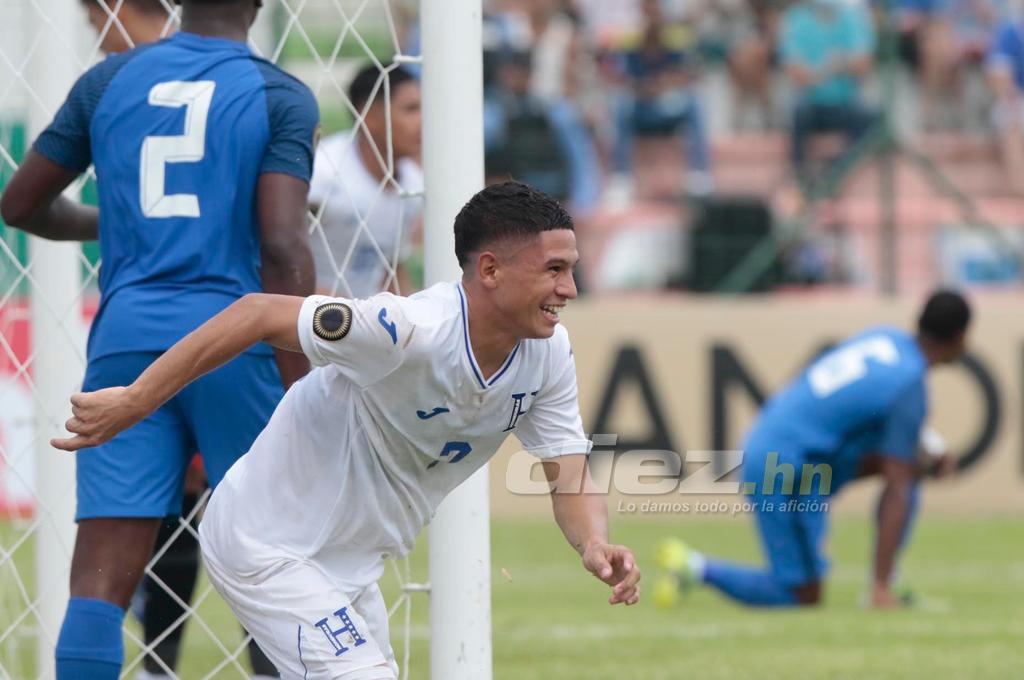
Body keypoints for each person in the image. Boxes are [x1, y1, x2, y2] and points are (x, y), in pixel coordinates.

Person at [52, 181, 643, 679]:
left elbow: (570, 473)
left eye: (571, 270)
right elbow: (257, 312)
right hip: (269, 544)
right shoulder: (405, 330)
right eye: (555, 270)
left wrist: (593, 543)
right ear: (489, 269)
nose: (569, 289)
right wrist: (134, 400)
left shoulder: (547, 355)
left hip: (350, 568)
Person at [0, 0, 319, 677]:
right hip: (237, 341)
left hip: (127, 341)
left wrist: (117, 221)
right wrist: (307, 383)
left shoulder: (108, 81)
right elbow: (284, 242)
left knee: (99, 583)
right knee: (275, 569)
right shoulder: (278, 94)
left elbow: (19, 204)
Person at [653, 290, 969, 609]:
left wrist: (923, 458)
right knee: (801, 595)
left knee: (908, 468)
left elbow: (859, 413)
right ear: (960, 338)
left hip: (780, 447)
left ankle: (885, 583)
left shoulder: (884, 338)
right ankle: (696, 567)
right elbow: (896, 484)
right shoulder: (909, 383)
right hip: (787, 466)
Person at [309, 64, 423, 297]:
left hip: (366, 324)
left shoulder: (413, 184)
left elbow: (391, 266)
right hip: (305, 318)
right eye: (411, 109)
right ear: (370, 116)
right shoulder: (322, 172)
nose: (423, 121)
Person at [780, 0, 878, 193]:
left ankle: (835, 176)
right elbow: (794, 72)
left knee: (873, 120)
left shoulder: (852, 17)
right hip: (811, 105)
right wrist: (829, 69)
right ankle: (800, 180)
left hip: (845, 104)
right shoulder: (798, 19)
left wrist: (827, 69)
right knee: (797, 114)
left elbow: (864, 65)